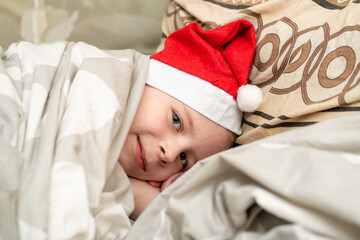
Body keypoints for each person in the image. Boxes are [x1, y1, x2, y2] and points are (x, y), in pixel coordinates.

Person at [117, 19, 263, 219]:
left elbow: (171, 221)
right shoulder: (88, 81)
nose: (168, 154)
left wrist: (166, 194)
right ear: (144, 83)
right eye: (176, 121)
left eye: (183, 160)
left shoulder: (114, 181)